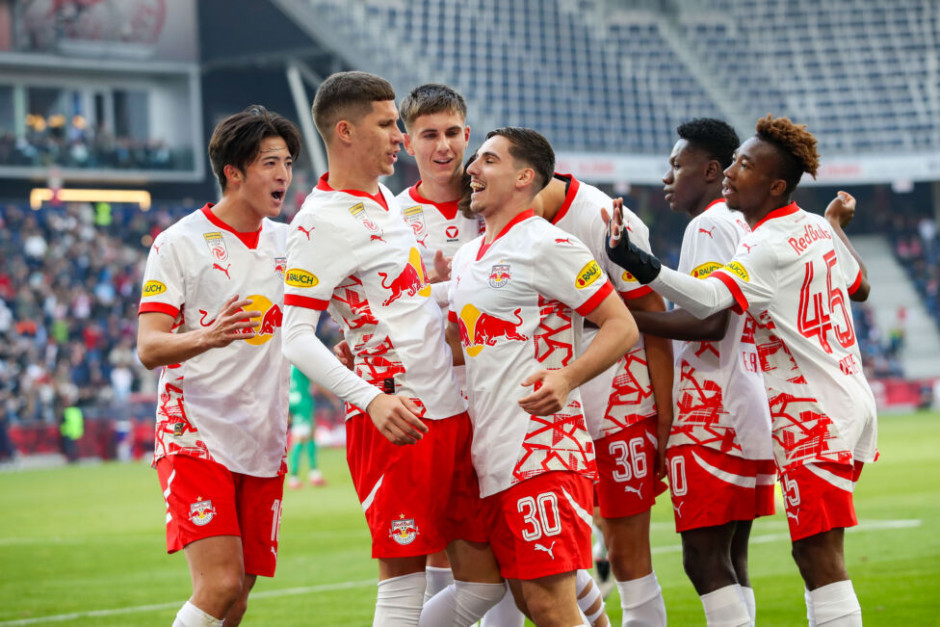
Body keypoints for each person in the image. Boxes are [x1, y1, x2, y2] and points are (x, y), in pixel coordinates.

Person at [606, 114, 877, 627]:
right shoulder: (814, 226)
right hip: (848, 400)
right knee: (802, 552)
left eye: (745, 165)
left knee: (818, 556)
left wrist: (634, 266)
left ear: (774, 185)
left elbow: (711, 304)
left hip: (809, 414)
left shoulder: (762, 242)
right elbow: (860, 286)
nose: (731, 172)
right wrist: (837, 226)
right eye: (734, 162)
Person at [281, 71, 505, 626]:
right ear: (345, 131)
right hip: (397, 414)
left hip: (449, 409)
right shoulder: (318, 222)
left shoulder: (384, 199)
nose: (398, 137)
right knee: (404, 585)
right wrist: (369, 399)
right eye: (386, 125)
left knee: (485, 586)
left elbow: (401, 299)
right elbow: (295, 337)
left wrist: (463, 284)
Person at [445, 126, 637, 626]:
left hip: (544, 452)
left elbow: (622, 326)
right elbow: (463, 347)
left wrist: (567, 378)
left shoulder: (549, 244)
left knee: (551, 605)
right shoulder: (466, 257)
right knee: (532, 603)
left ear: (524, 177)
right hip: (491, 454)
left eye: (488, 160)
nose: (472, 168)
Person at [136, 105, 301, 627]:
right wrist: (207, 336)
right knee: (220, 585)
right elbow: (149, 347)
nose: (283, 175)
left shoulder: (291, 243)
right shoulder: (178, 243)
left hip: (263, 437)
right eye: (270, 162)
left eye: (288, 163)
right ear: (234, 172)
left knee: (237, 598)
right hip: (195, 433)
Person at [626, 118, 775, 625]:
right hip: (749, 402)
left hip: (712, 411)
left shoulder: (709, 225)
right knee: (732, 557)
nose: (667, 177)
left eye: (677, 165)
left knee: (703, 559)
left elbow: (710, 321)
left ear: (711, 171)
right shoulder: (745, 223)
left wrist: (618, 317)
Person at [529, 171, 674, 626]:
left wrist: (665, 416)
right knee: (550, 550)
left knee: (627, 555)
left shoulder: (601, 217)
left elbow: (653, 312)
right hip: (550, 406)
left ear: (524, 177)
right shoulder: (501, 221)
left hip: (620, 401)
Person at [287, 365, 326, 488]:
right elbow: (316, 381)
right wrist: (332, 397)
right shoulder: (300, 364)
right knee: (301, 439)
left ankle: (313, 473)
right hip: (303, 402)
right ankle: (295, 477)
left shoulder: (289, 365)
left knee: (309, 436)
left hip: (292, 399)